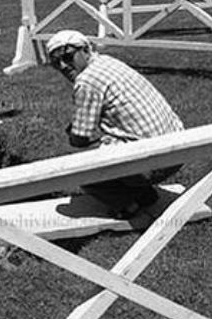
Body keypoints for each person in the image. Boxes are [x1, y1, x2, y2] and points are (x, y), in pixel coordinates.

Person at [46, 29, 184, 218]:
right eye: (55, 63)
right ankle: (145, 196)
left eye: (67, 56)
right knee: (109, 142)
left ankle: (128, 206)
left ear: (85, 50)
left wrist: (73, 133)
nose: (62, 65)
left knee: (80, 169)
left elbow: (79, 138)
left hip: (154, 165)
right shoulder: (108, 61)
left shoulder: (87, 81)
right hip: (179, 148)